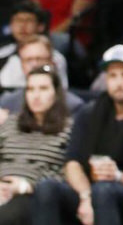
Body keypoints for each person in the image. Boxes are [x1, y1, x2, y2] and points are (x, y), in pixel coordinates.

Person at [33, 44, 123, 225]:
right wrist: (85, 196)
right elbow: (72, 163)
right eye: (112, 76)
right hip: (87, 189)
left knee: (104, 190)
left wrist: (118, 176)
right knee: (46, 187)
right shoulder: (87, 114)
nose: (119, 83)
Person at [0, 64, 72, 224]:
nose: (36, 95)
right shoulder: (10, 123)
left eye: (43, 88)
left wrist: (25, 186)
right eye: (31, 89)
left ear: (56, 93)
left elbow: (68, 173)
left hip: (32, 195)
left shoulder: (68, 129)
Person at [0, 37, 79, 117]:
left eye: (39, 59)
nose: (34, 65)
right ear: (21, 65)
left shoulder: (72, 105)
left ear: (51, 62)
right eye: (28, 60)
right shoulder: (7, 103)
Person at [0, 4, 69, 90]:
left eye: (29, 21)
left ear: (40, 26)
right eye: (18, 20)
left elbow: (61, 92)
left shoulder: (55, 58)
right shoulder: (2, 54)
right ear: (11, 25)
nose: (22, 26)